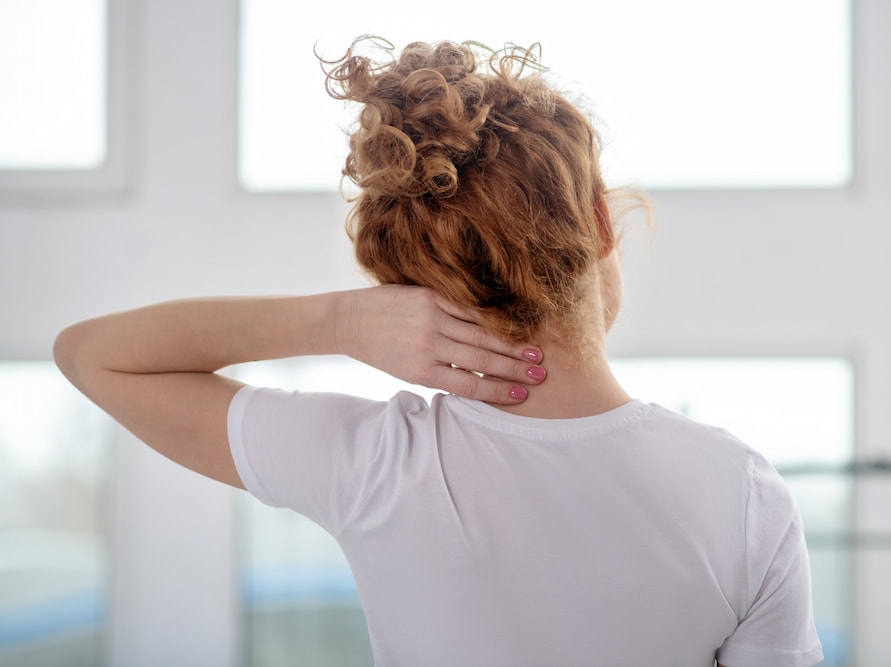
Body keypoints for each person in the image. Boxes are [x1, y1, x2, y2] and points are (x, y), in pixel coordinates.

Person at [54, 39, 823, 666]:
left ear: (423, 280)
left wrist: (339, 322)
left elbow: (91, 355)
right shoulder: (742, 496)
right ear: (599, 222)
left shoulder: (378, 466)